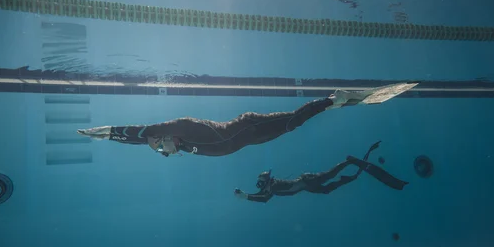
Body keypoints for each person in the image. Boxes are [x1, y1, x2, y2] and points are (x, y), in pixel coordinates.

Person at [77, 82, 418, 157]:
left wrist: (106, 133)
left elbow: (137, 134)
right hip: (248, 134)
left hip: (246, 127)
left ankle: (333, 99)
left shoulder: (167, 130)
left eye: (163, 148)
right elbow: (144, 141)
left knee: (291, 124)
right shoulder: (185, 143)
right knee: (294, 121)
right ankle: (339, 102)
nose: (170, 152)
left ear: (162, 139)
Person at [234, 141, 408, 203]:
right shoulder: (269, 190)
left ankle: (350, 161)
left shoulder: (272, 186)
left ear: (266, 181)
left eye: (262, 182)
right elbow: (263, 198)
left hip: (307, 181)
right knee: (327, 189)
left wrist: (247, 196)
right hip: (307, 186)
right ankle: (350, 175)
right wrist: (246, 196)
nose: (261, 185)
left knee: (330, 176)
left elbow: (263, 196)